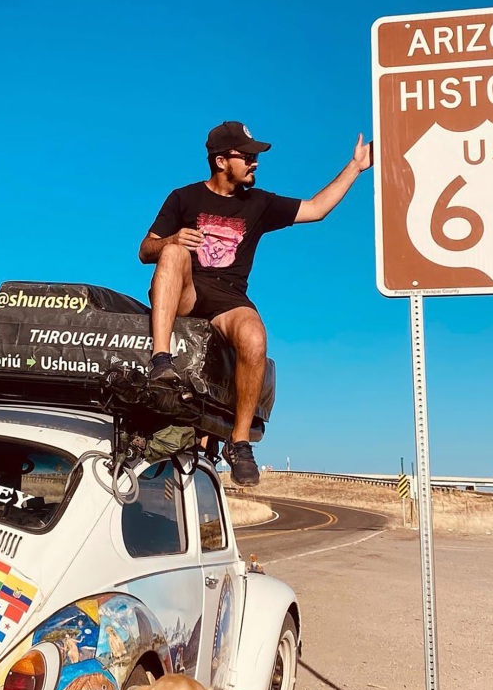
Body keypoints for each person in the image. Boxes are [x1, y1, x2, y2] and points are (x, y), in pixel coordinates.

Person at [139, 121, 372, 486]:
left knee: (255, 337)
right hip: (187, 292)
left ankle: (240, 442)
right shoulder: (183, 198)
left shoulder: (259, 203)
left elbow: (316, 209)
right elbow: (144, 250)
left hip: (229, 298)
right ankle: (160, 360)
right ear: (220, 161)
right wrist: (173, 238)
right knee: (169, 253)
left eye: (254, 156)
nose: (254, 163)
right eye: (246, 156)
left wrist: (355, 167)